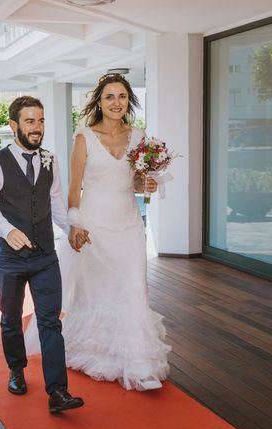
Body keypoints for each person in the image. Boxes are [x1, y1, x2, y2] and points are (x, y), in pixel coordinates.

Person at [25, 73, 171, 390]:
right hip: (94, 227)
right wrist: (74, 223)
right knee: (98, 294)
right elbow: (73, 189)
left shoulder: (139, 137)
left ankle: (140, 368)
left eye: (121, 96)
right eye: (109, 97)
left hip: (129, 226)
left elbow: (133, 182)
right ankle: (96, 353)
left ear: (129, 100)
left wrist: (146, 183)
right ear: (100, 102)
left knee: (134, 290)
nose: (116, 102)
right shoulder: (85, 137)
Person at [0, 96, 87, 413]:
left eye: (40, 121)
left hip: (44, 257)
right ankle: (16, 368)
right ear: (14, 125)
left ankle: (58, 392)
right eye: (30, 121)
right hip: (10, 259)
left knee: (50, 322)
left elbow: (55, 205)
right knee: (11, 319)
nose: (37, 128)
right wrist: (4, 228)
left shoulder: (51, 160)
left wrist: (71, 227)